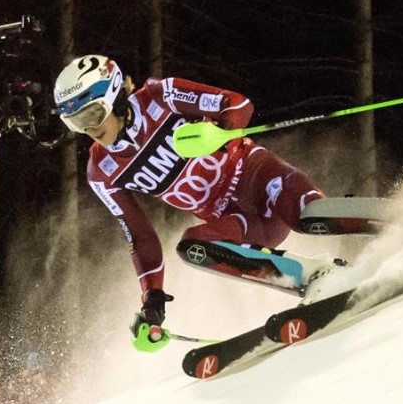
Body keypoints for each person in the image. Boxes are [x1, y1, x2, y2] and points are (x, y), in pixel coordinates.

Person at [53, 54, 334, 342]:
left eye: (92, 115)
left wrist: (220, 135)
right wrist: (152, 295)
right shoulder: (101, 170)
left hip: (261, 179)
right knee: (193, 246)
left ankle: (368, 226)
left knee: (308, 216)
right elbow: (140, 237)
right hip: (243, 225)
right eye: (76, 122)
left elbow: (238, 104)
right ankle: (309, 278)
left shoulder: (161, 97)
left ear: (113, 97)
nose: (89, 129)